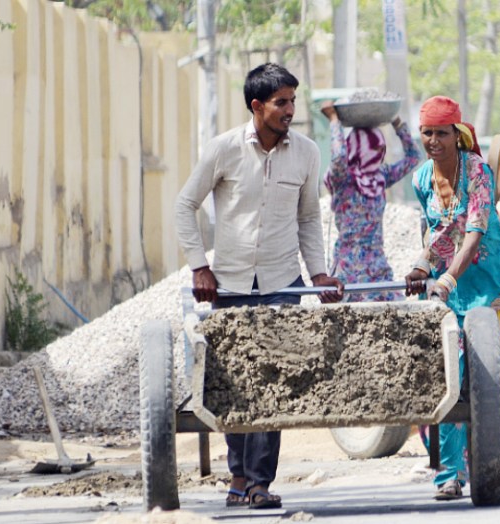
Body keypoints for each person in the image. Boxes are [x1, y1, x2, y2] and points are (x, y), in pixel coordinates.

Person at [175, 63, 344, 510]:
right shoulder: (224, 149)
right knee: (235, 382)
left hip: (283, 282)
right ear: (257, 106)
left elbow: (308, 217)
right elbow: (184, 206)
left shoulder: (306, 152)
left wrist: (318, 274)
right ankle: (238, 476)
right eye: (280, 102)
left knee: (275, 380)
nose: (290, 110)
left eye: (293, 101)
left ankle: (259, 483)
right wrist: (199, 266)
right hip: (229, 286)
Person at [404, 95, 500, 499]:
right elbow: (436, 232)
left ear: (458, 134)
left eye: (441, 133)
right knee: (448, 375)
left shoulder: (477, 170)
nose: (433, 141)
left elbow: (474, 232)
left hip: (492, 283)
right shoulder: (421, 179)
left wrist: (445, 278)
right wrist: (422, 267)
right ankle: (450, 474)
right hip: (450, 286)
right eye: (427, 133)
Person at [319, 100, 421, 300]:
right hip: (349, 268)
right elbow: (338, 158)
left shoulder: (380, 177)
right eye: (375, 149)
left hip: (377, 266)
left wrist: (396, 122)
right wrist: (334, 120)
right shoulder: (343, 179)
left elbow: (413, 157)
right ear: (360, 149)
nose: (380, 155)